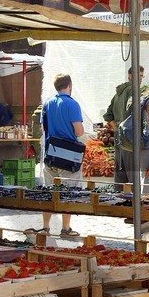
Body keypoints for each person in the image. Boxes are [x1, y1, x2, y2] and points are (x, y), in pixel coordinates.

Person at [41, 73, 94, 238]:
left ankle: (45, 227)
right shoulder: (72, 104)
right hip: (69, 156)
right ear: (69, 86)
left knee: (48, 192)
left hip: (50, 153)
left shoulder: (48, 103)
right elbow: (78, 131)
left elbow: (44, 129)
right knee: (69, 193)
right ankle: (65, 228)